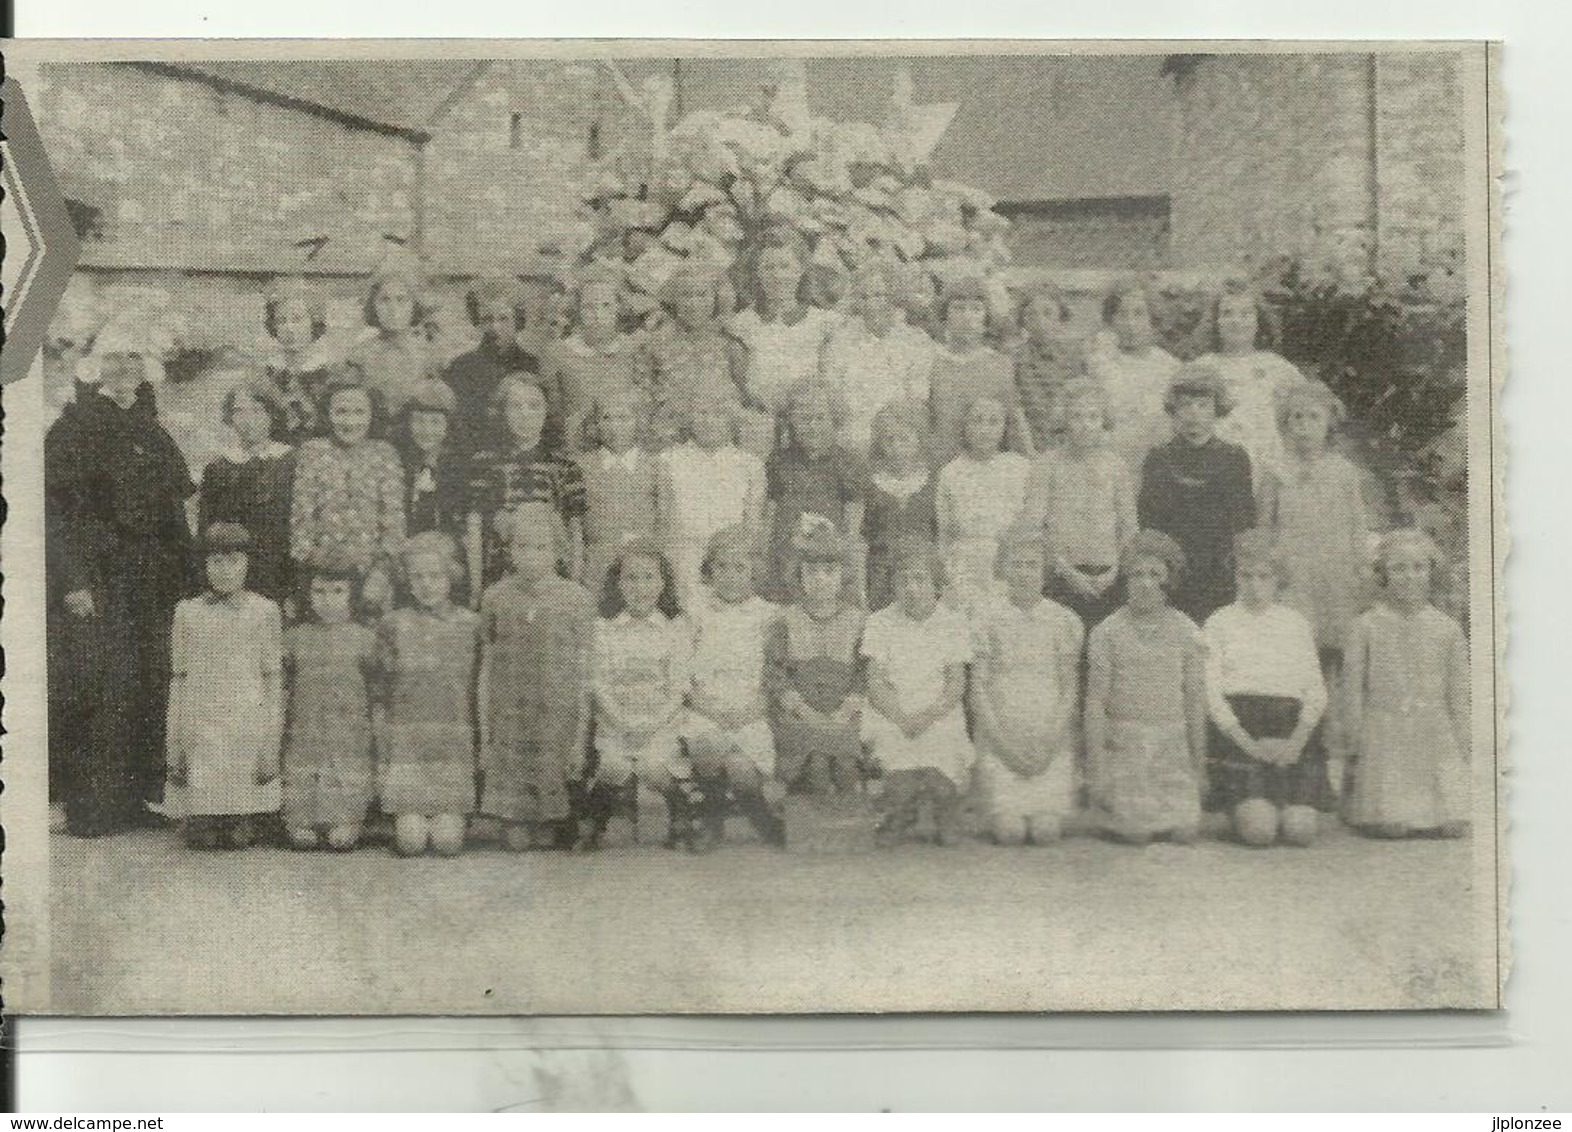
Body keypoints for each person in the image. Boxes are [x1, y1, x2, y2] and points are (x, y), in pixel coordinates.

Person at [46, 330, 196, 837]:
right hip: (97, 577)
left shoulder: (150, 427)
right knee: (99, 685)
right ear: (96, 365)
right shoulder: (73, 427)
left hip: (151, 578)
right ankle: (90, 805)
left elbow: (174, 510)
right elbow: (52, 513)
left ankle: (136, 798)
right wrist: (71, 580)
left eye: (134, 356)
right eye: (114, 358)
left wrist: (188, 577)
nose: (125, 367)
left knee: (148, 681)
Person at [477, 504, 595, 852]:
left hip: (556, 719)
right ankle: (516, 814)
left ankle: (559, 813)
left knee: (550, 834)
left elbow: (586, 673)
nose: (530, 556)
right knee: (517, 842)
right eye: (521, 547)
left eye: (541, 548)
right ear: (509, 549)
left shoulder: (577, 598)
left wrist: (579, 740)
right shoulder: (495, 597)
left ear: (559, 552)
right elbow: (485, 668)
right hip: (511, 718)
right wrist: (486, 737)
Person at [1203, 530, 1330, 847]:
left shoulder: (1294, 623)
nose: (1255, 585)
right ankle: (1240, 808)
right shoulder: (1219, 622)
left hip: (1291, 734)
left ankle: (1284, 802)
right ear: (1235, 576)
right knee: (1260, 831)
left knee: (1300, 830)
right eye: (1246, 576)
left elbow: (1315, 690)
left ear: (1278, 579)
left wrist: (1296, 742)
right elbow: (1212, 694)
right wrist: (1248, 743)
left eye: (1264, 576)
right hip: (1240, 733)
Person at [1343, 530, 1471, 839]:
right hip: (1385, 732)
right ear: (1383, 574)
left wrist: (1465, 742)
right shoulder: (1366, 626)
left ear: (1430, 571)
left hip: (1433, 732)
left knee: (1454, 824)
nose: (1409, 577)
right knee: (1392, 826)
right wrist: (1354, 739)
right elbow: (1353, 690)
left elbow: (1458, 694)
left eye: (1418, 567)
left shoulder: (1447, 629)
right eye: (1398, 568)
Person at [165, 522, 283, 850]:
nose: (225, 571)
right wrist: (174, 744)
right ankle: (203, 814)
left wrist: (269, 743)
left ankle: (240, 816)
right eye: (216, 562)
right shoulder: (188, 612)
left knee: (237, 838)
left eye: (234, 562)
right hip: (202, 719)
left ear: (247, 564)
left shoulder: (264, 611)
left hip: (245, 720)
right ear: (204, 565)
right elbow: (179, 677)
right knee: (202, 838)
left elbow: (272, 677)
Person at [1084, 530, 1207, 844]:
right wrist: (1096, 769)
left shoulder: (1186, 630)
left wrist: (1199, 765)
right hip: (1125, 746)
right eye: (1137, 574)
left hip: (1171, 747)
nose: (1146, 582)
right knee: (1136, 834)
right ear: (1126, 579)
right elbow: (1096, 704)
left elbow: (1194, 700)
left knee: (1185, 832)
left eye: (1156, 574)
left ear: (1169, 580)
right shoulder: (1106, 632)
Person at [970, 526, 1084, 846]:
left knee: (1046, 832)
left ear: (1045, 571)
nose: (1023, 573)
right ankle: (1001, 798)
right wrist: (1001, 744)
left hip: (1047, 739)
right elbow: (977, 689)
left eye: (1031, 565)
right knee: (1010, 833)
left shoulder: (1063, 621)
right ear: (1002, 569)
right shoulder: (985, 618)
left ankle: (1047, 792)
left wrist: (1050, 741)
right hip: (1000, 737)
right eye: (1015, 564)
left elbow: (1069, 688)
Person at [587, 539, 699, 849]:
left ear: (663, 583)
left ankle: (679, 805)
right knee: (614, 766)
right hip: (617, 722)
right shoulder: (604, 629)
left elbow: (679, 689)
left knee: (651, 766)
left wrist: (650, 724)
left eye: (649, 577)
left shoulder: (675, 629)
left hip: (660, 723)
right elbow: (598, 683)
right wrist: (622, 722)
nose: (640, 587)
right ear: (618, 583)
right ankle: (597, 813)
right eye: (631, 578)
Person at [861, 539, 974, 846]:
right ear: (893, 584)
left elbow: (956, 684)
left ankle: (945, 812)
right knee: (896, 763)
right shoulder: (880, 621)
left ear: (936, 583)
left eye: (920, 579)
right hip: (893, 709)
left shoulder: (953, 622)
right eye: (903, 580)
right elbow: (874, 682)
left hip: (938, 709)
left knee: (943, 756)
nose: (911, 588)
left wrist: (928, 715)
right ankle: (900, 812)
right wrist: (900, 717)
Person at [374, 532, 479, 858]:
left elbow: (478, 691)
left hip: (451, 745)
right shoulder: (393, 624)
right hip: (408, 745)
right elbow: (381, 691)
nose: (427, 584)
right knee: (411, 842)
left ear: (451, 575)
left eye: (435, 576)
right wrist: (383, 753)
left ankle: (453, 817)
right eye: (418, 576)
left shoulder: (470, 624)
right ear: (407, 579)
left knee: (447, 844)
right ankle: (408, 817)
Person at [682, 525, 787, 846]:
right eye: (721, 567)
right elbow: (682, 673)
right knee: (706, 746)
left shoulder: (768, 616)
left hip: (749, 709)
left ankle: (758, 814)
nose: (729, 576)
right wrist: (709, 709)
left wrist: (750, 712)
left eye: (739, 567)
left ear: (754, 571)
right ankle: (712, 818)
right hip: (706, 707)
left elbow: (774, 678)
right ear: (709, 569)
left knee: (742, 768)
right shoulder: (696, 611)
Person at [1260, 379, 1372, 666]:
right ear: (1285, 423)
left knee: (1336, 644)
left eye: (1314, 417)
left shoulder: (1344, 471)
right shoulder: (1275, 471)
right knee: (1295, 639)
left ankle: (1334, 703)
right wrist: (1270, 564)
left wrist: (1361, 567)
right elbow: (1264, 526)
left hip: (1335, 570)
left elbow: (1357, 523)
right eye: (1296, 417)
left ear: (1329, 424)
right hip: (1292, 570)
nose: (1304, 425)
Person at [1138, 363, 1255, 624]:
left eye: (1203, 405)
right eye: (1186, 405)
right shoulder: (1159, 458)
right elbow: (1149, 523)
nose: (1194, 414)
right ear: (1174, 410)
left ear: (1217, 410)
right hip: (1172, 571)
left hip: (1219, 570)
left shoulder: (1235, 458)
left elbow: (1244, 521)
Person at [280, 555, 378, 851]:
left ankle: (348, 818)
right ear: (307, 594)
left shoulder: (365, 638)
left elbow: (376, 689)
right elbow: (284, 687)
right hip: (306, 723)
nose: (328, 601)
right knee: (303, 764)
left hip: (349, 725)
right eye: (319, 592)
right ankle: (299, 818)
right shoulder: (294, 637)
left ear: (352, 595)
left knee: (346, 766)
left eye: (338, 592)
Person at [764, 519, 868, 797]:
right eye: (811, 572)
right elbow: (776, 676)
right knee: (816, 767)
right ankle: (810, 819)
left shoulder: (858, 622)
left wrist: (845, 710)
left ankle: (846, 827)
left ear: (843, 576)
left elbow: (864, 672)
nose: (820, 579)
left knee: (846, 767)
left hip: (844, 712)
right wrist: (806, 712)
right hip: (800, 713)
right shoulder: (785, 621)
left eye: (829, 572)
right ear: (798, 577)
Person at [289, 375, 405, 618]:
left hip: (372, 576)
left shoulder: (385, 454)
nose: (350, 422)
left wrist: (381, 573)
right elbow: (301, 519)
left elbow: (394, 523)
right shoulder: (312, 452)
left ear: (372, 415)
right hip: (322, 579)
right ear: (328, 414)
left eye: (359, 412)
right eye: (341, 412)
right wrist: (318, 571)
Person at [1024, 377, 1136, 628]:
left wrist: (1115, 569)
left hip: (1109, 577)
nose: (1085, 425)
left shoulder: (1117, 466)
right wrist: (1067, 571)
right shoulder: (1046, 465)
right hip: (1060, 577)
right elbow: (1034, 527)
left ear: (1103, 420)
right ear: (1064, 420)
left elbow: (1129, 527)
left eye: (1093, 417)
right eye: (1076, 416)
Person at [465, 373, 586, 595]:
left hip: (553, 580)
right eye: (515, 406)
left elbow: (575, 531)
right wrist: (476, 589)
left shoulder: (565, 466)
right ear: (503, 412)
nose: (525, 414)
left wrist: (574, 584)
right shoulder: (485, 463)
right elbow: (474, 528)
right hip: (500, 580)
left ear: (547, 411)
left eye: (534, 406)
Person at [1193, 279, 1305, 493]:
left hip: (1269, 476)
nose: (1237, 321)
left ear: (1258, 321)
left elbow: (1306, 419)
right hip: (1215, 476)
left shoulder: (1279, 369)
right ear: (1216, 321)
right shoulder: (1202, 368)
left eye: (1245, 314)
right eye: (1227, 313)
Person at [729, 238, 837, 453]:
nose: (777, 276)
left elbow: (829, 381)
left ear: (801, 271)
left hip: (809, 429)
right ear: (757, 274)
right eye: (768, 268)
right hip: (759, 430)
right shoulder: (742, 324)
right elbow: (739, 385)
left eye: (785, 266)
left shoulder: (823, 323)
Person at [763, 380, 867, 603]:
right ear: (791, 423)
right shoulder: (778, 461)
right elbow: (769, 517)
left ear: (834, 421)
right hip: (785, 556)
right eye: (804, 419)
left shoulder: (848, 462)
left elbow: (852, 526)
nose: (812, 426)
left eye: (820, 418)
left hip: (826, 560)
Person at [658, 396, 766, 609]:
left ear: (731, 420)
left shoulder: (750, 465)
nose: (709, 421)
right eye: (702, 413)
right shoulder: (669, 460)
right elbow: (664, 520)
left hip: (730, 565)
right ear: (690, 418)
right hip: (683, 561)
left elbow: (752, 526)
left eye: (718, 414)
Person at [198, 376, 296, 607]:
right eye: (239, 412)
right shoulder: (217, 468)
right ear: (230, 418)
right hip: (229, 576)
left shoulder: (290, 462)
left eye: (257, 411)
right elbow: (206, 529)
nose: (248, 420)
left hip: (278, 573)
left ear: (272, 415)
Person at [821, 261, 936, 456]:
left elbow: (917, 400)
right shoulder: (841, 338)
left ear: (894, 297)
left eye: (878, 295)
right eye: (863, 297)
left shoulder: (915, 341)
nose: (871, 304)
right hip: (850, 442)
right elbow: (832, 392)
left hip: (898, 442)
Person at [936, 395, 1033, 614]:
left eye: (993, 421)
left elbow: (1031, 527)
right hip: (964, 568)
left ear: (1004, 427)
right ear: (965, 426)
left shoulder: (1020, 468)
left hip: (1011, 564)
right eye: (977, 421)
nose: (984, 429)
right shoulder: (951, 472)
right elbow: (945, 536)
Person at [928, 276, 1034, 464]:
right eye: (959, 308)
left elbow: (1014, 422)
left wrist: (1033, 461)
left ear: (986, 317)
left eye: (976, 309)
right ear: (945, 315)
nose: (967, 317)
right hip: (940, 463)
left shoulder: (1000, 365)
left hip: (983, 467)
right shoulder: (930, 362)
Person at [541, 269, 646, 455]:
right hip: (576, 452)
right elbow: (552, 414)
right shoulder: (556, 352)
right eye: (589, 306)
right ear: (577, 310)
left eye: (606, 305)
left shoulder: (635, 348)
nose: (597, 314)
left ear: (618, 307)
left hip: (626, 452)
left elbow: (643, 408)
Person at [641, 265, 743, 451]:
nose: (694, 303)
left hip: (717, 447)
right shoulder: (656, 345)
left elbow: (741, 398)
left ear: (716, 298)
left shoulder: (730, 345)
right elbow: (646, 397)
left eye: (702, 294)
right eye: (686, 295)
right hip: (668, 444)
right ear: (674, 299)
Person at [442, 274, 539, 467]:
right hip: (473, 461)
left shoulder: (532, 365)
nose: (494, 327)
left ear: (517, 320)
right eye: (487, 319)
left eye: (504, 319)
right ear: (477, 320)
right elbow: (454, 426)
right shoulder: (461, 368)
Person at [1087, 277, 1180, 472]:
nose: (1130, 324)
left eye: (1139, 314)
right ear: (1111, 320)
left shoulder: (1170, 367)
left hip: (1159, 464)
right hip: (1111, 461)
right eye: (1122, 315)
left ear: (1152, 319)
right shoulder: (1101, 364)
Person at [576, 390, 662, 597]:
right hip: (597, 565)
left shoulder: (655, 466)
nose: (615, 425)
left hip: (641, 569)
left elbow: (663, 521)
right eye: (607, 418)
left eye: (624, 417)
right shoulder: (581, 466)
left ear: (638, 422)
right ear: (595, 424)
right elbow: (576, 525)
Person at [862, 399, 938, 613]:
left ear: (918, 439)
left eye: (903, 438)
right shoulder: (870, 483)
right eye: (889, 440)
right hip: (880, 573)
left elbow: (940, 532)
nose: (896, 447)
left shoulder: (932, 481)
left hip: (920, 572)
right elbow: (862, 536)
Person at [345, 262, 431, 422]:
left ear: (414, 305)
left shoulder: (429, 355)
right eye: (384, 300)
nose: (393, 309)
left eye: (401, 300)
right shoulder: (359, 356)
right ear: (373, 305)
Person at [1013, 281, 1088, 452]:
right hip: (1027, 444)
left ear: (1060, 317)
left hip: (1067, 445)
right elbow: (1016, 410)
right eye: (1031, 315)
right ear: (1022, 321)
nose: (1040, 321)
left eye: (1048, 313)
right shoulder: (1015, 358)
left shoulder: (1075, 356)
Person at [260, 276, 331, 444]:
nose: (289, 328)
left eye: (297, 319)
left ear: (313, 322)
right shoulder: (269, 373)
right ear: (273, 327)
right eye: (281, 321)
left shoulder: (329, 374)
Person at [395, 379, 465, 540]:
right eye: (419, 420)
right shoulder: (401, 464)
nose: (427, 430)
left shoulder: (459, 467)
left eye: (436, 422)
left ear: (448, 425)